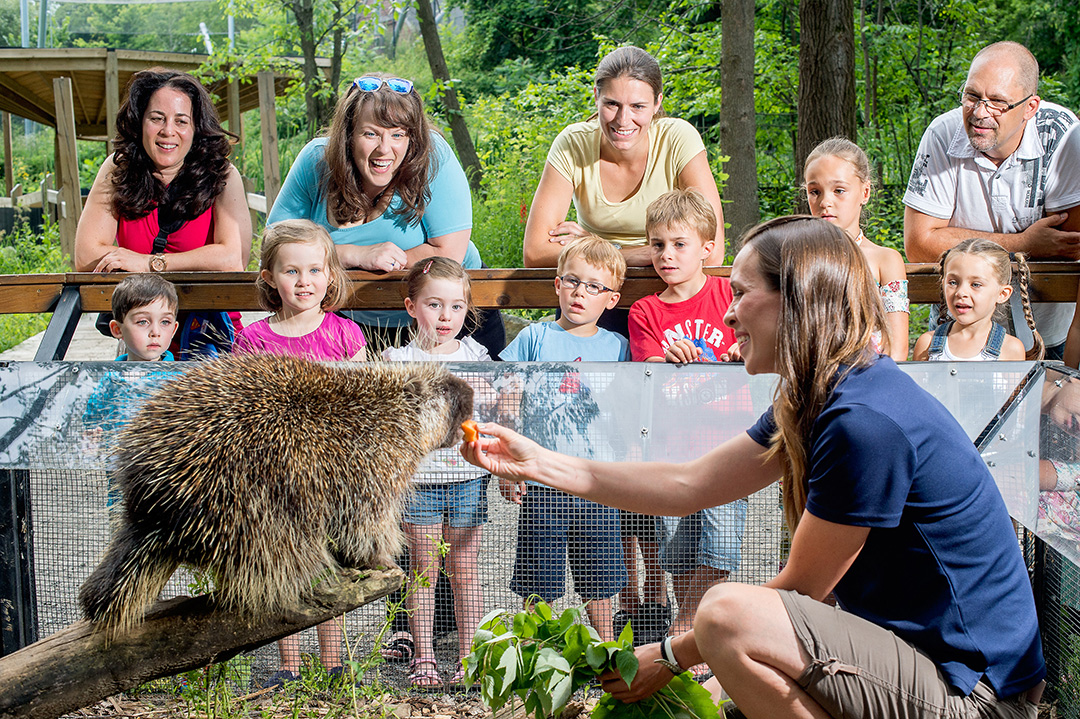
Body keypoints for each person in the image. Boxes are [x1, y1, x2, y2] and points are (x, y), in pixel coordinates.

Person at [464, 216, 1046, 719]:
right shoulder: (817, 394)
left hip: (979, 694)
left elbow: (801, 591)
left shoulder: (864, 422)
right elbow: (689, 485)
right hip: (917, 665)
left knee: (724, 612)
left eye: (741, 294)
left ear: (797, 299)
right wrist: (537, 460)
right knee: (726, 637)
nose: (729, 316)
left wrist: (668, 658)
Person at [267, 74, 504, 356]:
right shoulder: (316, 161)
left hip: (448, 317)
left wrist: (326, 258)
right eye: (371, 133)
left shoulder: (435, 156)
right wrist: (356, 254)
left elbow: (448, 253)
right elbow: (275, 244)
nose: (384, 149)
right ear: (348, 135)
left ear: (412, 138)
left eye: (398, 134)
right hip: (352, 318)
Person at [233, 219, 366, 688]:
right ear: (269, 276)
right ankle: (288, 661)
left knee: (329, 562)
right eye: (292, 271)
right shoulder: (253, 340)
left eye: (314, 270)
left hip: (328, 470)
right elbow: (245, 410)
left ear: (330, 273)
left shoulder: (346, 336)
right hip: (276, 472)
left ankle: (332, 662)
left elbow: (354, 412)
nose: (304, 281)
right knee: (285, 563)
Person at [522, 46, 724, 336]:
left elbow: (712, 250)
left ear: (657, 103)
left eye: (638, 107)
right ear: (596, 97)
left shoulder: (678, 138)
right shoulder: (572, 143)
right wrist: (624, 254)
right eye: (612, 104)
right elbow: (534, 251)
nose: (623, 120)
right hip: (593, 292)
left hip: (667, 291)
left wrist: (598, 247)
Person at [625, 189, 745, 660]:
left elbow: (760, 340)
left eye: (679, 244)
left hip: (728, 443)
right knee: (677, 545)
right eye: (657, 244)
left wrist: (743, 349)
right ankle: (694, 629)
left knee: (721, 538)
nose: (667, 255)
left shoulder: (729, 295)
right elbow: (650, 372)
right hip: (675, 446)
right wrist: (666, 356)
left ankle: (686, 624)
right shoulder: (646, 311)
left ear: (707, 248)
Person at [903, 41, 1080, 360]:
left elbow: (1068, 245)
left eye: (998, 102)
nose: (980, 112)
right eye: (972, 96)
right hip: (957, 334)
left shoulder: (1063, 135)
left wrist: (954, 237)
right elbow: (918, 243)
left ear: (1030, 107)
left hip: (1048, 332)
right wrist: (1025, 242)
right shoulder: (942, 134)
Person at [499, 236, 630, 642]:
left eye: (594, 286)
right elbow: (508, 399)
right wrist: (508, 465)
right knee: (540, 577)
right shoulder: (534, 339)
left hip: (597, 482)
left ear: (611, 299)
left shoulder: (619, 347)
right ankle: (535, 646)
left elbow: (627, 411)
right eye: (573, 281)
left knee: (602, 577)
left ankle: (607, 645)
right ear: (557, 284)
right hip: (543, 480)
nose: (580, 293)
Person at [382, 257, 492, 689]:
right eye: (434, 305)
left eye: (456, 307)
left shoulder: (478, 356)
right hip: (420, 482)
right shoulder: (396, 359)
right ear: (412, 306)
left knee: (465, 572)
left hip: (466, 480)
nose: (445, 317)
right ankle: (424, 655)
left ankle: (470, 655)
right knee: (423, 571)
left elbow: (496, 409)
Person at [74, 68, 251, 275]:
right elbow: (86, 256)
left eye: (181, 121)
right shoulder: (119, 168)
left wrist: (150, 263)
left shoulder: (223, 175)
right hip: (136, 304)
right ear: (139, 122)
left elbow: (234, 259)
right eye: (157, 118)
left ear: (197, 129)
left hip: (206, 304)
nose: (168, 131)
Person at [804, 138, 909, 361]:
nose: (825, 202)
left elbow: (897, 347)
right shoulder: (800, 258)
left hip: (872, 377)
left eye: (839, 190)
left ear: (865, 192)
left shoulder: (885, 260)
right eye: (815, 192)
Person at [83, 274, 180, 510]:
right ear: (117, 329)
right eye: (142, 322)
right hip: (123, 489)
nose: (155, 332)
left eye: (165, 322)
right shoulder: (112, 380)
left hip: (169, 488)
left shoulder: (181, 378)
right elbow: (91, 423)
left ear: (175, 328)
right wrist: (91, 440)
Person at [913, 238, 1043, 361]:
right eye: (953, 282)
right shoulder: (927, 344)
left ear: (1002, 294)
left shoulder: (1010, 349)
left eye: (975, 284)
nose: (961, 292)